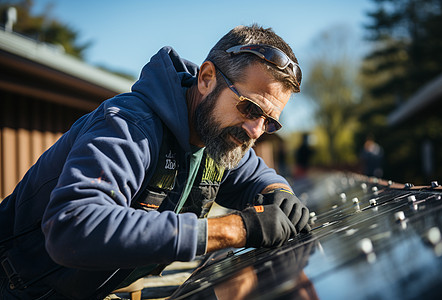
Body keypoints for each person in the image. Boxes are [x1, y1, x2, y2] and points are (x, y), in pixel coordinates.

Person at [0, 24, 310, 299]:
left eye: (269, 122)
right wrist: (232, 230)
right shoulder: (130, 126)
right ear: (206, 78)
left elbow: (255, 176)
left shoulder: (219, 139)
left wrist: (280, 193)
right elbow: (72, 226)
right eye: (250, 109)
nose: (255, 131)